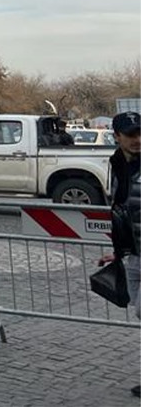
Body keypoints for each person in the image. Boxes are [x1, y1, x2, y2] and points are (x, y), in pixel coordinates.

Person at [101, 111, 141, 398]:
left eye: (140, 133)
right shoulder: (115, 164)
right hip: (134, 254)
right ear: (117, 136)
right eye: (130, 134)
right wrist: (116, 252)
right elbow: (120, 210)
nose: (137, 139)